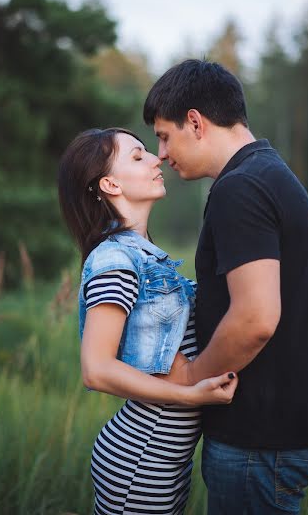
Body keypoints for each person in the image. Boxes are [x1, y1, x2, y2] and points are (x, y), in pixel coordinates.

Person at [143, 59, 308, 515]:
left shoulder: (242, 188)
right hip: (278, 437)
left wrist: (191, 378)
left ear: (195, 121)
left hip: (259, 442)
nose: (160, 154)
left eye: (164, 135)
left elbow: (255, 318)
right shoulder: (267, 174)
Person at [58, 127, 238, 515]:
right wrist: (191, 395)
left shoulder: (144, 254)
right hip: (142, 455)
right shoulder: (115, 260)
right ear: (109, 183)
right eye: (138, 157)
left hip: (163, 455)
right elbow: (97, 370)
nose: (157, 159)